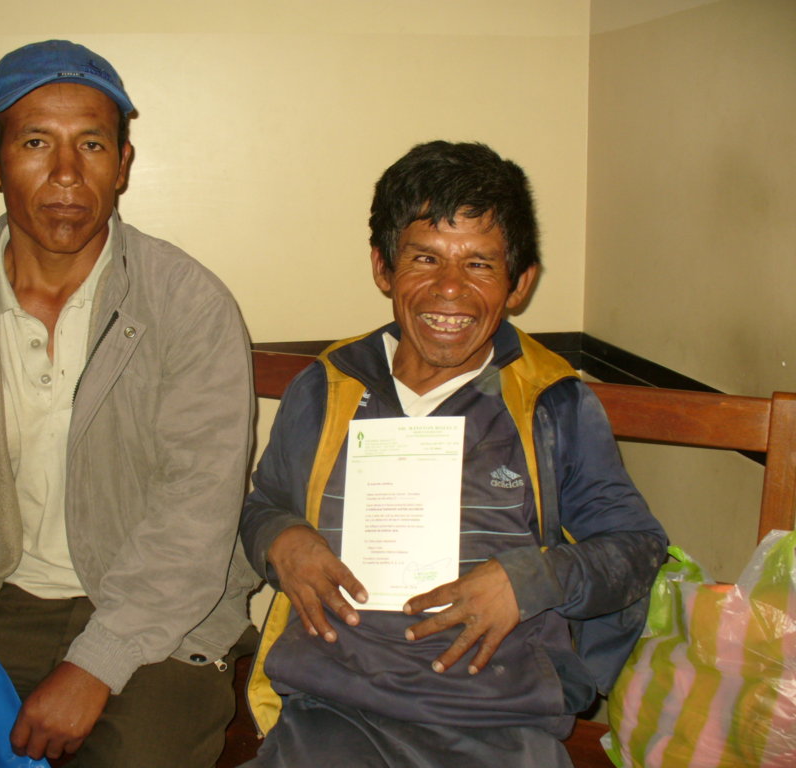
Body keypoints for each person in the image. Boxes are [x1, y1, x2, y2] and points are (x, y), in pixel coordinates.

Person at [0, 40, 258, 767]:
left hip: (160, 615)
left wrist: (96, 663)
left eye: (92, 144)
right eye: (36, 143)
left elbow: (194, 518)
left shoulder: (187, 304)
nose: (67, 174)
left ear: (123, 165)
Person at [239, 141, 667, 767]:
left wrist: (531, 580)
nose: (449, 290)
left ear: (519, 284)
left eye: (480, 264)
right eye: (424, 258)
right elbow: (261, 507)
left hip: (499, 720)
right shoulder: (330, 386)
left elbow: (636, 548)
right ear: (384, 267)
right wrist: (280, 538)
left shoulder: (552, 404)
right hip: (334, 712)